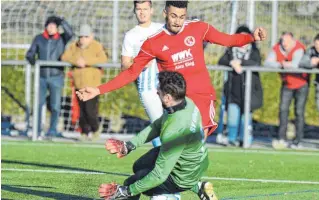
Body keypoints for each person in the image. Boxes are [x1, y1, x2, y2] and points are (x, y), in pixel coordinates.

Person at [76, 1, 267, 139]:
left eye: (182, 17)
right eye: (174, 16)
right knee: (174, 150)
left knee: (192, 142)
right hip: (176, 102)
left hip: (202, 98)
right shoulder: (153, 43)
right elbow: (131, 72)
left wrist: (251, 37)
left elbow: (228, 40)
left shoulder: (199, 28)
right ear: (165, 13)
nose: (178, 21)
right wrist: (98, 89)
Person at [98, 71, 217, 200]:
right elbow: (157, 126)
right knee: (138, 166)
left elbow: (159, 175)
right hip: (197, 161)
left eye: (159, 90)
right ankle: (198, 186)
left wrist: (126, 191)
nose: (156, 92)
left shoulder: (174, 132)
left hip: (182, 177)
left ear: (167, 98)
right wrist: (129, 145)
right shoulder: (187, 103)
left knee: (132, 182)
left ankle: (170, 195)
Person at [121, 1, 164, 147]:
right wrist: (138, 64)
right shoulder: (131, 35)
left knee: (173, 123)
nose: (142, 12)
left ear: (151, 10)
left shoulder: (162, 29)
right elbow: (124, 65)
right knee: (159, 124)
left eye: (145, 9)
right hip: (147, 87)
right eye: (138, 9)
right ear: (134, 11)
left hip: (168, 85)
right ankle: (160, 160)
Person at [26, 16, 73, 138]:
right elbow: (30, 53)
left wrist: (62, 21)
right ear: (46, 27)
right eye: (49, 26)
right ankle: (36, 130)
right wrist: (32, 59)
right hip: (41, 77)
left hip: (56, 77)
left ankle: (52, 130)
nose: (51, 28)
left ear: (57, 28)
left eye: (54, 26)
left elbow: (70, 33)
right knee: (38, 104)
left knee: (55, 106)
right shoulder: (39, 39)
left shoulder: (62, 39)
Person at [217, 25, 263, 146]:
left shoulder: (254, 51)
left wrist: (241, 62)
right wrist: (232, 62)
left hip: (249, 92)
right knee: (232, 117)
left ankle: (246, 139)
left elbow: (256, 63)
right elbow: (221, 61)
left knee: (245, 118)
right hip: (233, 92)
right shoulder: (230, 51)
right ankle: (232, 139)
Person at [61, 24, 108, 141]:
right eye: (81, 37)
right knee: (81, 112)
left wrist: (86, 62)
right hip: (78, 84)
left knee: (90, 111)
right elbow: (64, 57)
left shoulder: (97, 46)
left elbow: (103, 59)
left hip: (93, 86)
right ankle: (85, 132)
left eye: (86, 37)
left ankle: (95, 129)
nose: (83, 39)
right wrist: (76, 62)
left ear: (91, 36)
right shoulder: (74, 46)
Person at [264, 32, 308, 149]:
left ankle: (298, 141)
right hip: (287, 84)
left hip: (301, 84)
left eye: (287, 42)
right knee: (283, 110)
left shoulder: (299, 48)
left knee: (299, 112)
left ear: (293, 41)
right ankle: (281, 138)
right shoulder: (277, 48)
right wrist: (281, 64)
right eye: (283, 41)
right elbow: (267, 63)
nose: (285, 44)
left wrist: (286, 64)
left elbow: (296, 64)